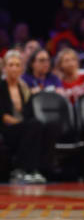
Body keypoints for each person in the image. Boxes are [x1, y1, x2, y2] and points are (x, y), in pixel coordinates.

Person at [0, 50, 55, 184]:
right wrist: (24, 125)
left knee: (48, 126)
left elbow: (29, 112)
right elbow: (3, 116)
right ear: (4, 67)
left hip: (23, 128)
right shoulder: (0, 86)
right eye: (11, 64)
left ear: (22, 68)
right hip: (5, 128)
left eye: (17, 65)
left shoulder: (24, 88)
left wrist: (26, 125)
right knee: (33, 126)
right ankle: (25, 169)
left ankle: (40, 170)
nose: (14, 68)